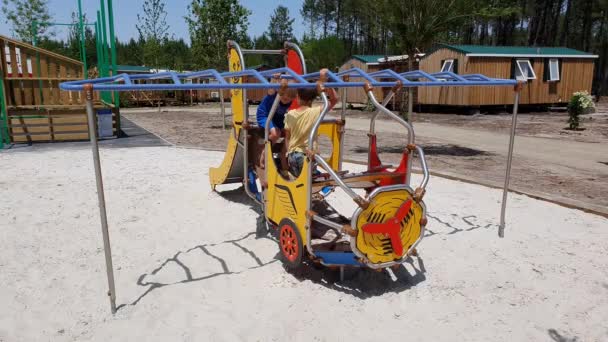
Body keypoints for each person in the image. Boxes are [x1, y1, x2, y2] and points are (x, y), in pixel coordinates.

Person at [284, 71, 339, 178]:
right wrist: (325, 84)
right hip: (307, 154)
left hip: (293, 155)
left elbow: (287, 137)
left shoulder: (290, 114)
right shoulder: (316, 112)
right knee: (312, 180)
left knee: (299, 181)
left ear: (298, 97)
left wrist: (288, 153)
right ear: (312, 99)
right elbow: (334, 99)